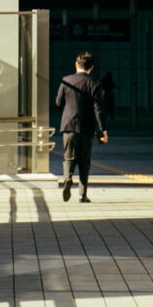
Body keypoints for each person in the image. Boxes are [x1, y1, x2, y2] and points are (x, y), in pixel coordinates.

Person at [55, 50, 107, 203]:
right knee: (85, 161)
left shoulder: (66, 80)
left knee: (68, 157)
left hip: (69, 125)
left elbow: (58, 103)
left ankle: (67, 178)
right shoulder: (94, 83)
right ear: (91, 68)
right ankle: (82, 195)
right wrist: (102, 130)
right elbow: (98, 109)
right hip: (87, 127)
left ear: (76, 64)